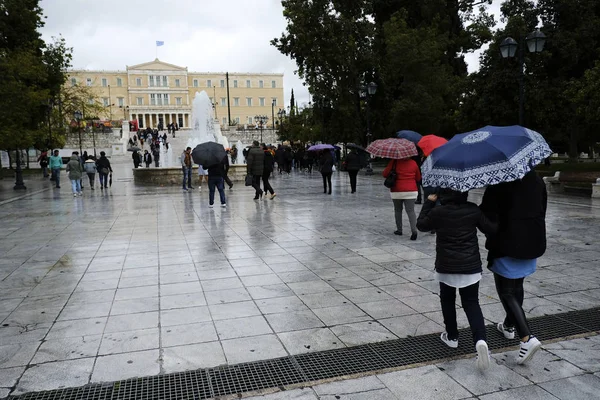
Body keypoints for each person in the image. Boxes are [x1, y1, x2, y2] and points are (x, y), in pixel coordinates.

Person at [416, 189, 497, 370]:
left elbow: (421, 225)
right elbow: (491, 229)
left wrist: (429, 202)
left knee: (447, 299)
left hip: (447, 266)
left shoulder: (438, 212)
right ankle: (481, 340)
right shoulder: (473, 210)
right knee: (471, 303)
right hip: (470, 266)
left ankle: (452, 336)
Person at [479, 170, 547, 365]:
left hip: (507, 243)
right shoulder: (536, 178)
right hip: (532, 241)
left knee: (507, 291)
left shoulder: (499, 181)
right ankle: (509, 326)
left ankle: (526, 337)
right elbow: (543, 208)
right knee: (517, 286)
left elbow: (489, 220)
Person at [382, 157, 421, 240]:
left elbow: (385, 174)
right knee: (411, 211)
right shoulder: (413, 163)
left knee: (398, 210)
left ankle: (399, 230)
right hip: (411, 190)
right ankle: (414, 231)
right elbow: (418, 177)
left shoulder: (394, 162)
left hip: (397, 190)